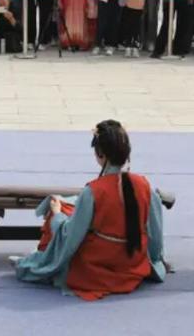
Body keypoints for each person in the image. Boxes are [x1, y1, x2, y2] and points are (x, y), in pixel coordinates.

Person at [15, 120, 166, 300]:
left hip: (97, 266)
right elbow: (155, 236)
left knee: (57, 217)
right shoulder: (145, 187)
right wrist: (155, 259)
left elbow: (70, 237)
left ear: (100, 154)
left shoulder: (93, 192)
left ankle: (41, 256)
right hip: (132, 263)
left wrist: (56, 215)